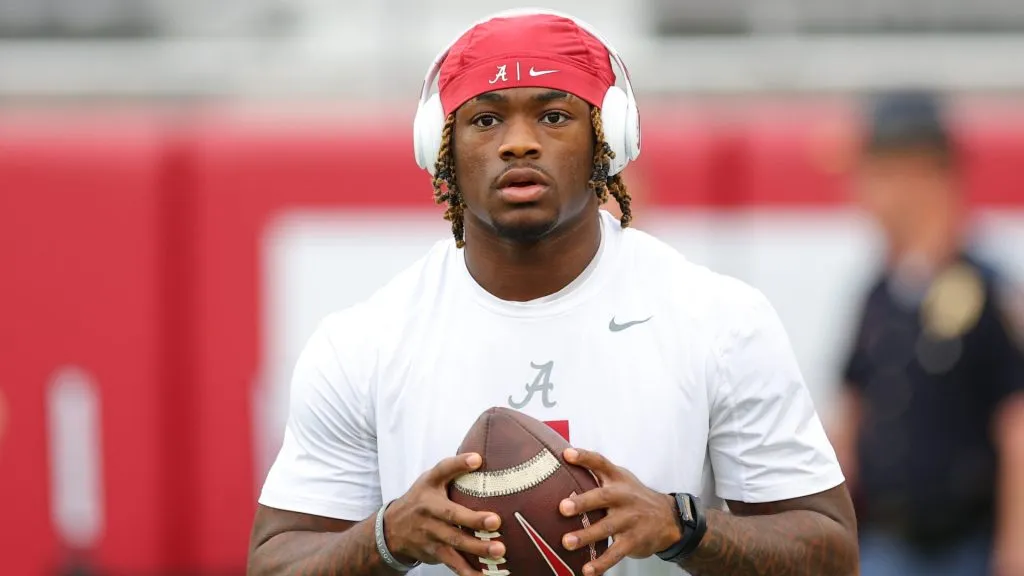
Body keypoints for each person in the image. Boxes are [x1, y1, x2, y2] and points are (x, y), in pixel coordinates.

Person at [246, 9, 859, 576]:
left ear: (607, 140)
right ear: (441, 149)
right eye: (486, 119)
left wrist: (681, 525)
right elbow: (275, 559)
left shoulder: (718, 320)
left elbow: (830, 550)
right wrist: (386, 536)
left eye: (554, 115)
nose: (519, 142)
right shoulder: (364, 341)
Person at [828, 91, 1024, 576]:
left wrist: (1015, 545)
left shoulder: (986, 293)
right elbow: (852, 419)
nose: (863, 193)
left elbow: (1016, 426)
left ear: (921, 174)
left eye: (874, 173)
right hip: (887, 543)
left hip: (967, 547)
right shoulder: (878, 295)